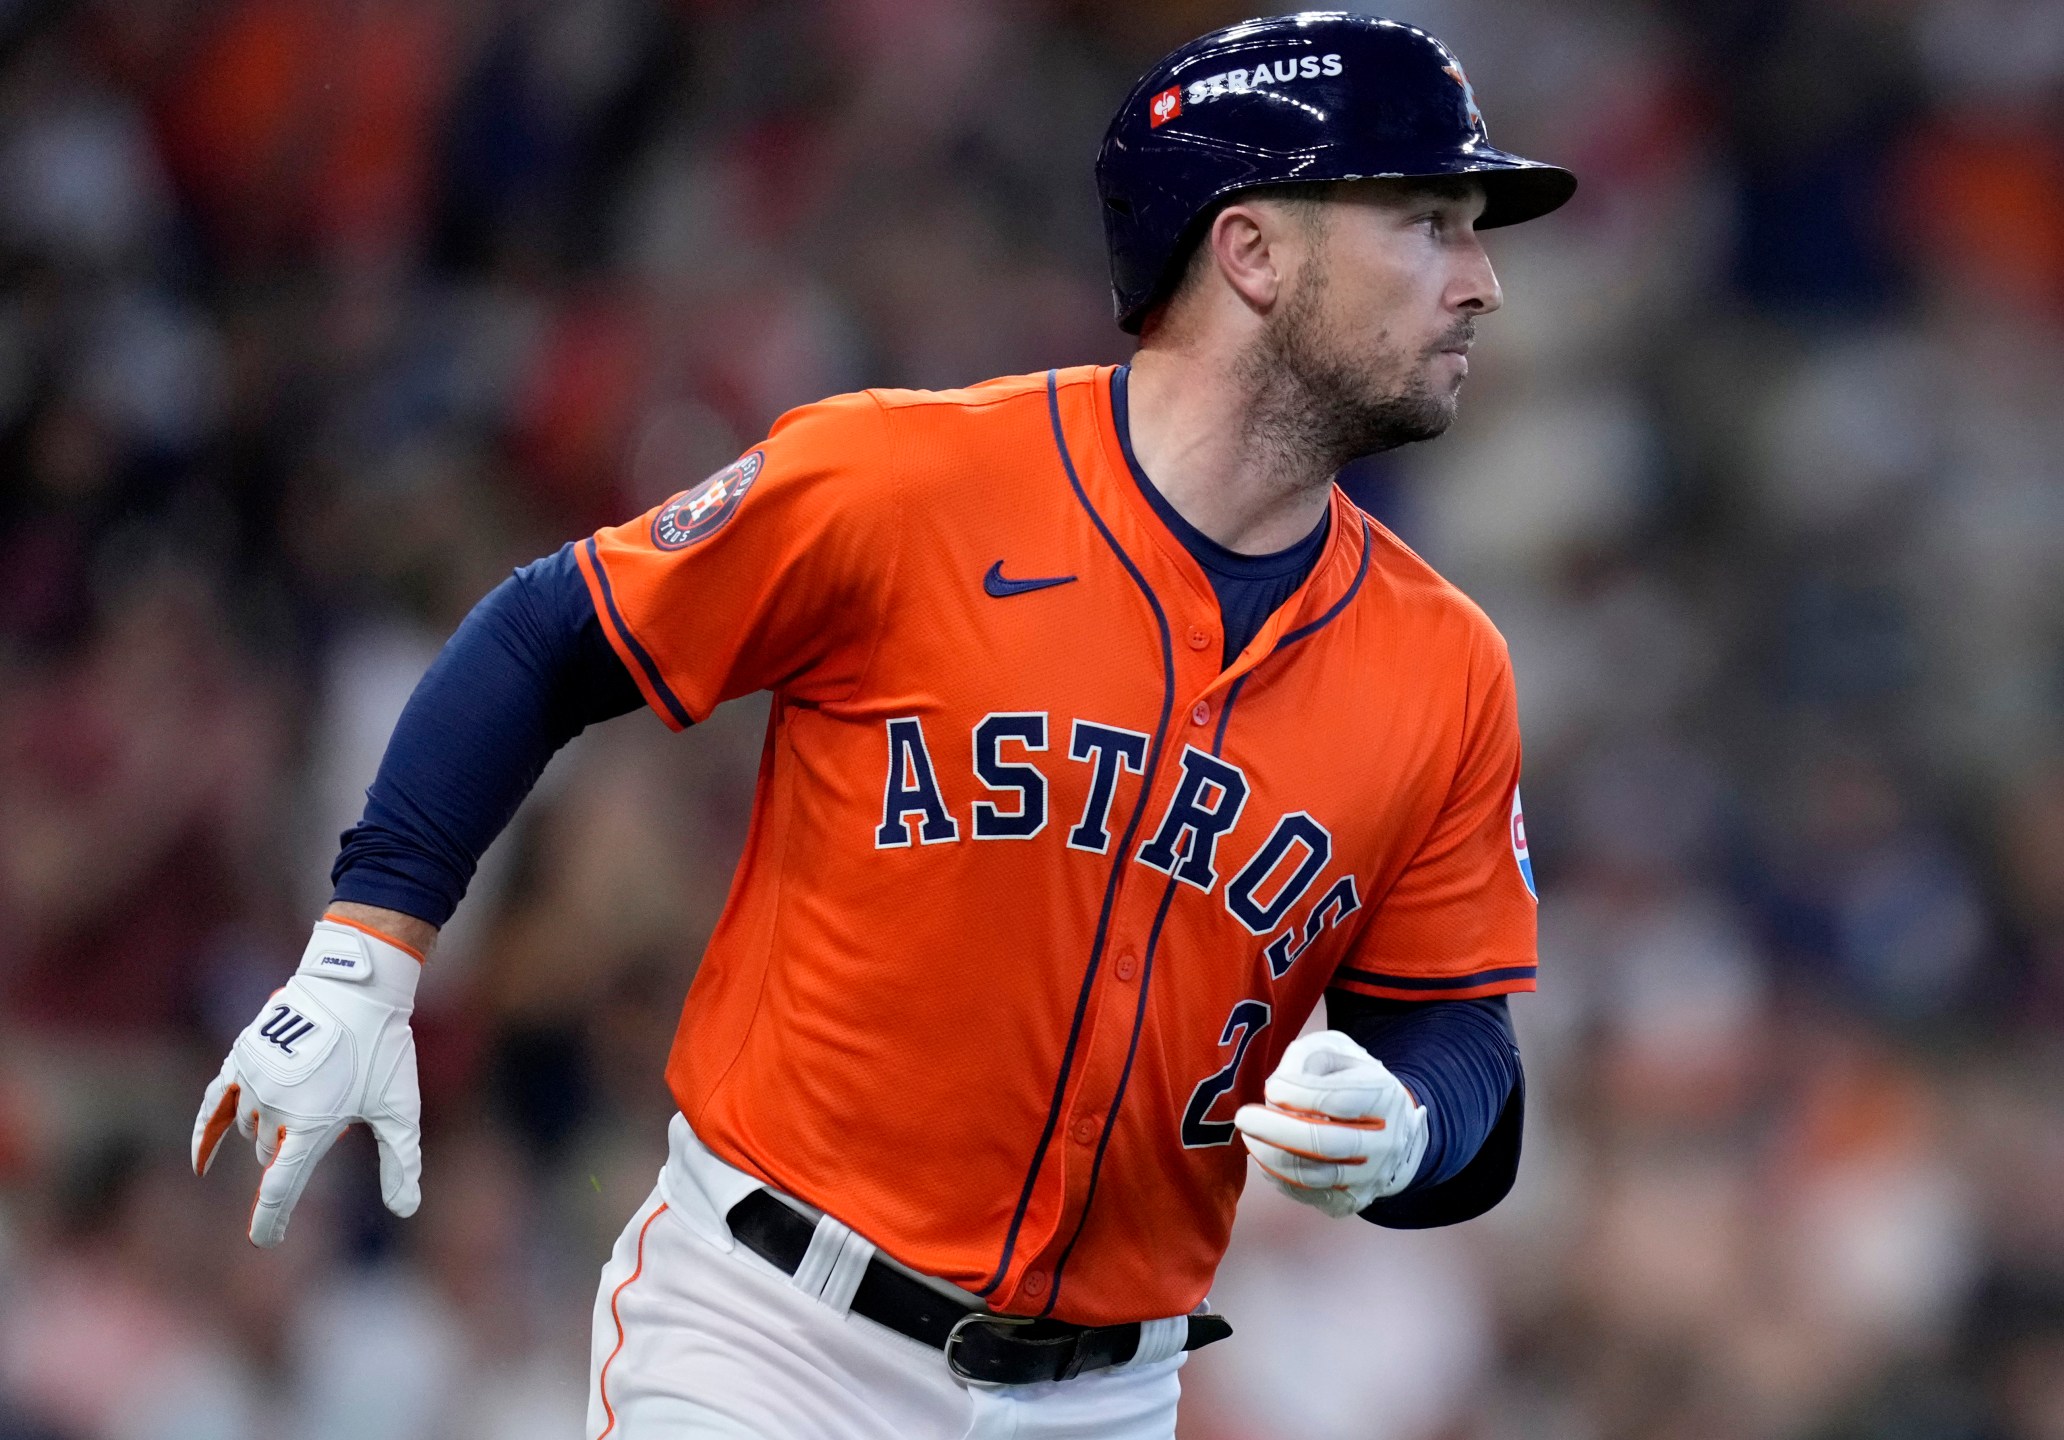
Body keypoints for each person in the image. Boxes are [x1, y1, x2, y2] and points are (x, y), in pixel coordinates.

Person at [186, 13, 1573, 1438]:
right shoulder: (906, 482)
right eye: (1430, 221)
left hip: (1108, 1396)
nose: (1483, 283)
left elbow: (1464, 1056)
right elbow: (551, 635)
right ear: (1255, 253)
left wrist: (1406, 1128)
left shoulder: (1445, 665)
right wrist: (366, 952)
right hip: (772, 1337)